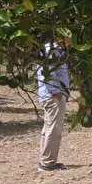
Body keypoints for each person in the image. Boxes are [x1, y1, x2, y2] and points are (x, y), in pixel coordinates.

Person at [37, 36, 71, 172]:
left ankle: (46, 160)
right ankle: (48, 163)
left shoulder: (59, 51)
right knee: (54, 128)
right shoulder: (50, 50)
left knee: (49, 127)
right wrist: (55, 92)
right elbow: (46, 72)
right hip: (54, 95)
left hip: (55, 94)